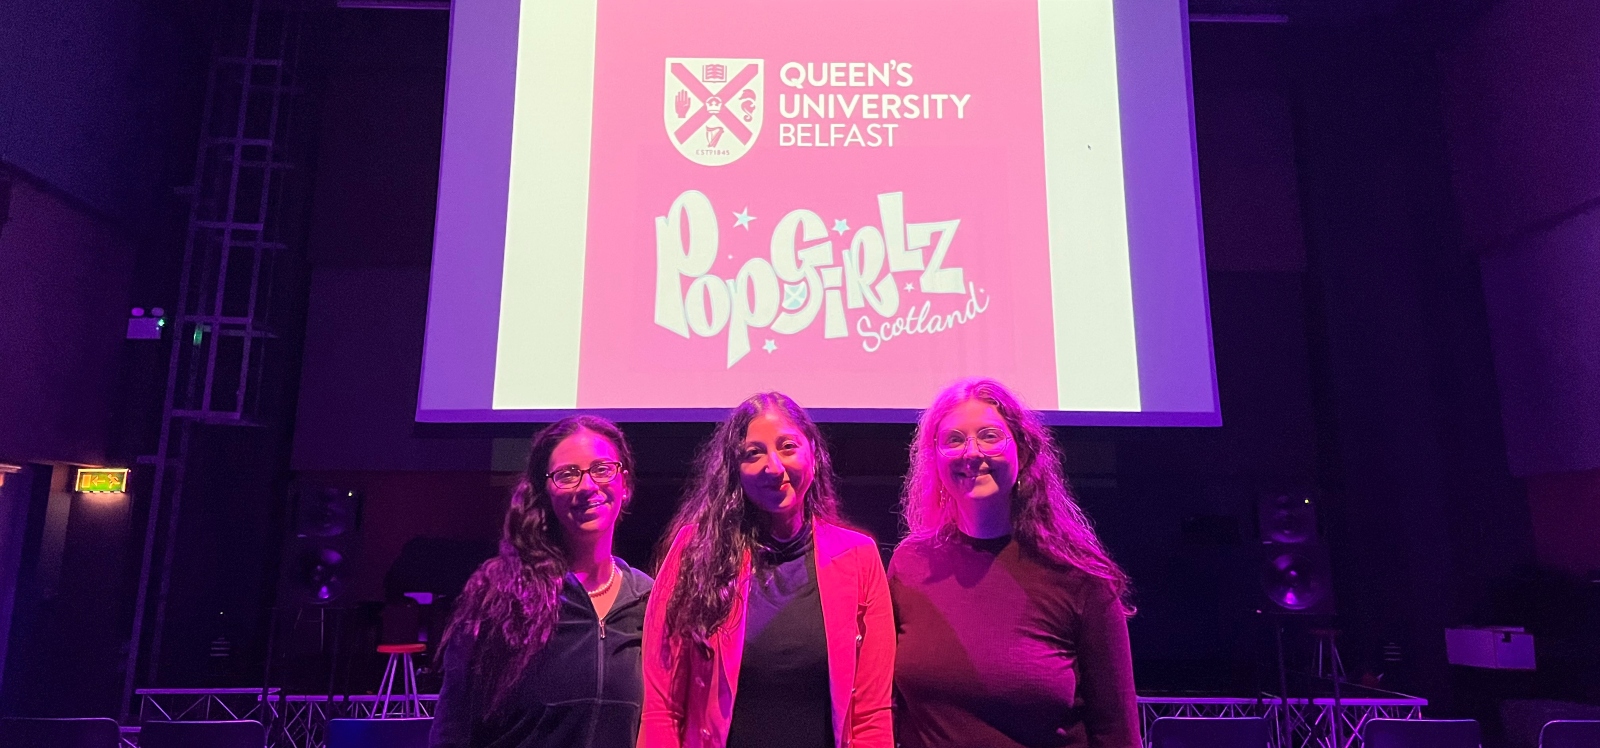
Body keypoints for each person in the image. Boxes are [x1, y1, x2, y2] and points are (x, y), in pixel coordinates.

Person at [889, 378, 1139, 748]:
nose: (971, 452)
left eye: (989, 436)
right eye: (954, 440)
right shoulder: (910, 564)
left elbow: (1116, 733)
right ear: (936, 460)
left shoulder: (1080, 578)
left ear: (1021, 452)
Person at [640, 392, 894, 748]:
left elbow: (871, 716)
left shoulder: (859, 557)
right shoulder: (694, 552)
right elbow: (662, 709)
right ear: (734, 471)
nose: (773, 467)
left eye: (787, 446)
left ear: (814, 456)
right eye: (753, 453)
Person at [431, 415, 653, 748]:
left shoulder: (649, 600)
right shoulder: (500, 595)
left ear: (626, 485)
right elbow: (454, 728)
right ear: (544, 492)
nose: (588, 486)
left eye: (602, 469)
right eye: (567, 475)